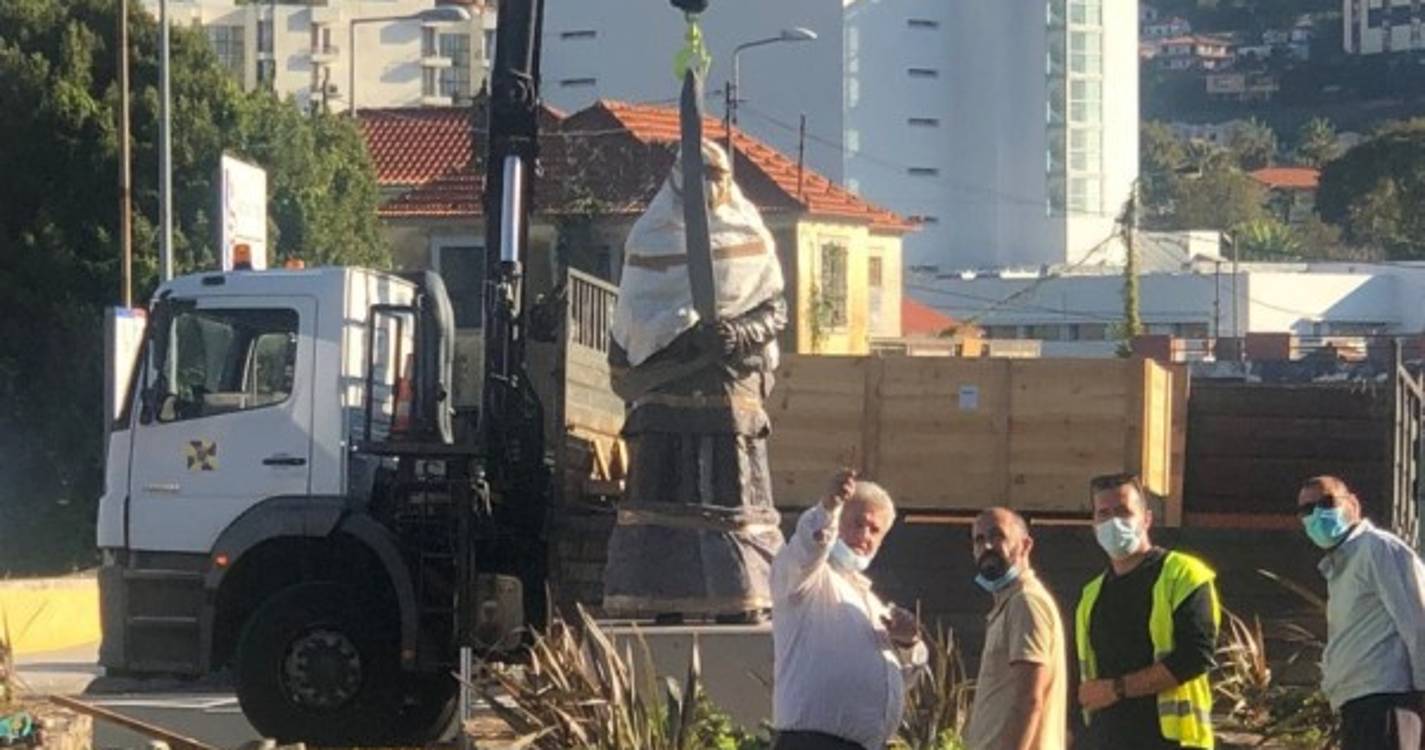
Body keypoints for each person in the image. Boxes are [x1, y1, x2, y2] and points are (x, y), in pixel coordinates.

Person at [603, 139, 787, 623]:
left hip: (730, 397)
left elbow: (775, 309)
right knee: (664, 500)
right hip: (665, 397)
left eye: (715, 176)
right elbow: (632, 320)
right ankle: (659, 604)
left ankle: (742, 603)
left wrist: (736, 332)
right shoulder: (650, 237)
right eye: (697, 176)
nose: (707, 187)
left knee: (735, 499)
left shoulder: (751, 234)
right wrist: (671, 339)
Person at [770, 469, 925, 750]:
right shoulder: (804, 581)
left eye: (875, 530)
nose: (864, 536)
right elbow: (808, 546)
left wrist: (906, 642)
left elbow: (902, 678)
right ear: (837, 522)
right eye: (857, 523)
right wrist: (828, 507)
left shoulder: (871, 601)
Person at [1074, 473, 1220, 750]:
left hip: (1172, 740)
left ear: (1147, 519)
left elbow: (1196, 656)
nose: (1113, 522)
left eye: (1123, 511)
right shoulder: (1091, 594)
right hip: (1107, 740)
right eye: (1103, 514)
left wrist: (1117, 689)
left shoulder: (1184, 575)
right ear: (1093, 524)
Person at [1296, 475, 1425, 750]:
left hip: (1387, 700)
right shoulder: (1341, 565)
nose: (1317, 514)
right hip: (1358, 703)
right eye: (1306, 510)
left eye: (1326, 502)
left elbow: (1418, 622)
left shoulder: (1377, 548)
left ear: (1352, 504)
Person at [962, 508, 1067, 750]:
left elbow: (1029, 700)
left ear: (1025, 545)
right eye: (979, 539)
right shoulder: (1009, 604)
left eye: (997, 536)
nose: (987, 546)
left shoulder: (1026, 602)